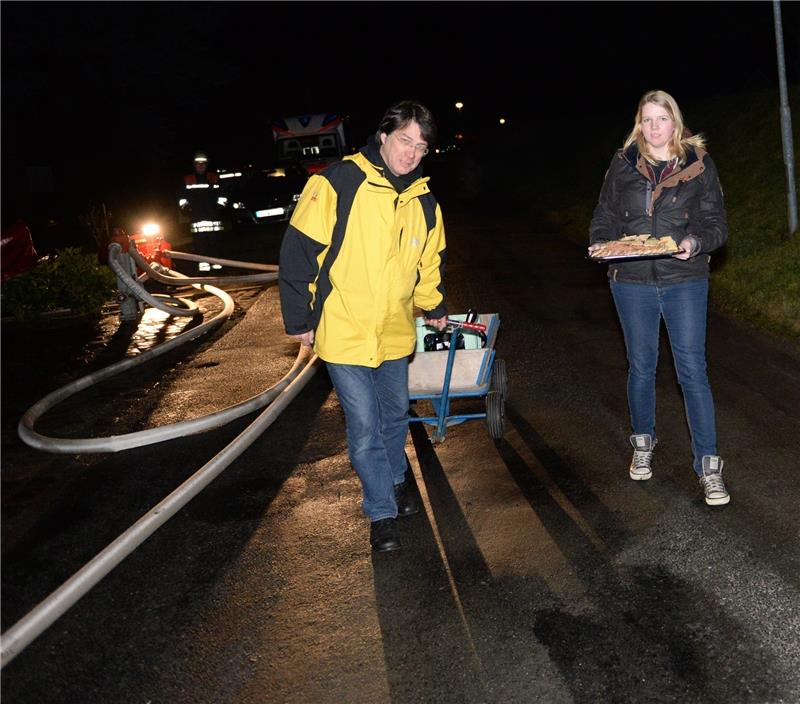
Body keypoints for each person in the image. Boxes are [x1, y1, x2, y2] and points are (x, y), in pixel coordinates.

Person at [278, 100, 448, 551]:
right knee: (365, 425)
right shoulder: (338, 182)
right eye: (405, 141)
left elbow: (429, 264)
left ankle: (393, 482)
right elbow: (298, 250)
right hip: (343, 330)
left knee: (394, 416)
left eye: (421, 147)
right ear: (384, 136)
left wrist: (433, 306)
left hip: (394, 332)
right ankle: (381, 513)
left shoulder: (424, 202)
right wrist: (298, 319)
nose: (411, 153)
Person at [588, 89, 730, 506]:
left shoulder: (698, 164)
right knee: (641, 366)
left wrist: (695, 241)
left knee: (692, 371)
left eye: (661, 119)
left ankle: (708, 465)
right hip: (631, 280)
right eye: (646, 119)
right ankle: (643, 442)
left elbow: (716, 223)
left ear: (675, 122)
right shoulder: (622, 164)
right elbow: (605, 215)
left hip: (684, 277)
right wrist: (601, 243)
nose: (654, 127)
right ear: (639, 123)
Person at [178, 151, 225, 271]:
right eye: (198, 164)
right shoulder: (188, 179)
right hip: (197, 217)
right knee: (199, 243)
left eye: (203, 164)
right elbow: (181, 197)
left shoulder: (214, 177)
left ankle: (217, 265)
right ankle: (204, 266)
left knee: (215, 242)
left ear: (207, 164)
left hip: (213, 217)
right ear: (194, 165)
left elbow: (223, 195)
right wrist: (186, 208)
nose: (200, 166)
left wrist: (220, 206)